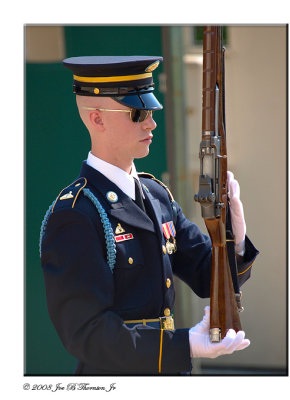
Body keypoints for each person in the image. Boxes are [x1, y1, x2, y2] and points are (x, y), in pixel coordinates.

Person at [40, 56, 258, 375]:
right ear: (97, 119)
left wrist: (235, 239)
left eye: (151, 111)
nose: (151, 123)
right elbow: (86, 334)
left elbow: (206, 276)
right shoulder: (76, 213)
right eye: (137, 113)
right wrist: (184, 345)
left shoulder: (155, 195)